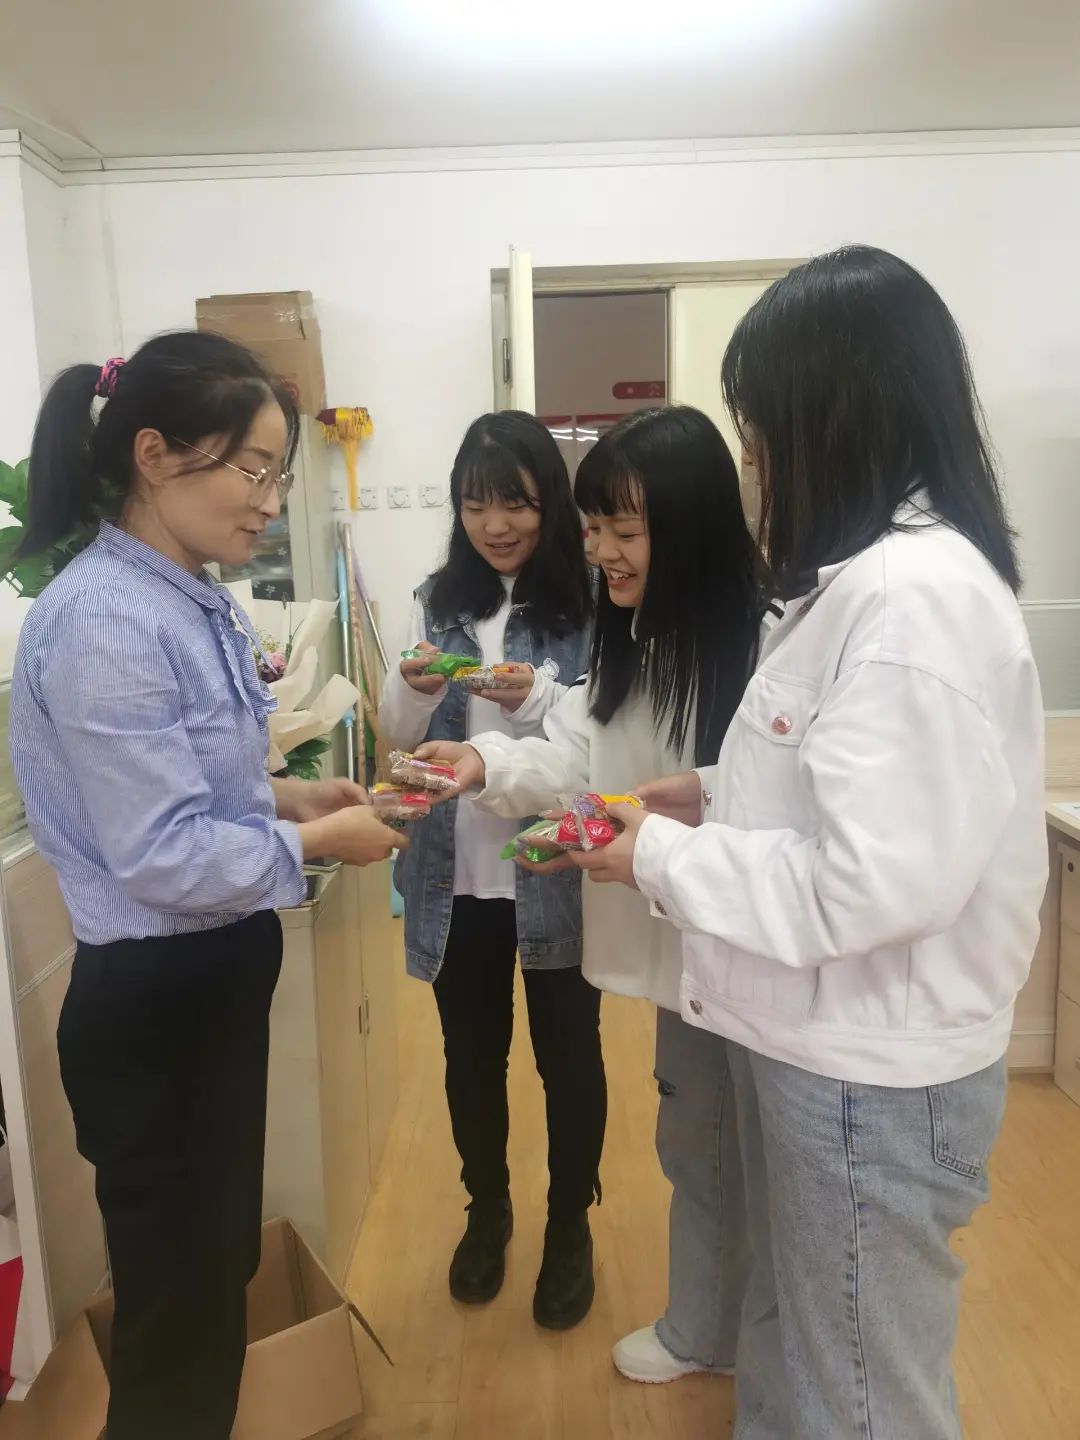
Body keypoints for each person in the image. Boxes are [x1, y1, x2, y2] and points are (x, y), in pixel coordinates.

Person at [572, 247, 1048, 1440]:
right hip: (821, 1051)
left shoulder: (911, 602)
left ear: (831, 418)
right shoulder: (858, 589)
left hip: (866, 1078)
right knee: (796, 1338)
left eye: (759, 434)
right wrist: (711, 795)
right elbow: (848, 791)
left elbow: (868, 884)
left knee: (859, 1395)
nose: (755, 465)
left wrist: (656, 856)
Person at [10, 333, 404, 1440]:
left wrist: (291, 798)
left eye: (279, 474)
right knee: (178, 1318)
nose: (271, 502)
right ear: (153, 455)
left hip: (206, 980)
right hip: (157, 1001)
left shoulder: (186, 598)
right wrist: (320, 845)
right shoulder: (107, 622)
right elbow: (160, 856)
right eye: (254, 471)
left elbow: (190, 780)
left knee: (210, 1270)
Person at [416, 405, 764, 1382]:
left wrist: (663, 826)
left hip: (750, 947)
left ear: (689, 523)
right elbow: (576, 750)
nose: (601, 548)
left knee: (758, 1158)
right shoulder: (628, 635)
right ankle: (704, 1330)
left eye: (623, 527)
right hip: (672, 947)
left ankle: (745, 1342)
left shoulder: (758, 645)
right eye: (594, 525)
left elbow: (758, 799)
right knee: (694, 1140)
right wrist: (484, 763)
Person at [379, 411, 603, 1330]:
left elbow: (600, 743)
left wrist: (534, 698)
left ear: (551, 501)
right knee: (471, 1058)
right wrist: (417, 685)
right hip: (455, 873)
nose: (496, 524)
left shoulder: (592, 600)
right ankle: (488, 1210)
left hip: (554, 868)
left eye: (516, 503)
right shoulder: (438, 601)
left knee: (569, 1060)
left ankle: (569, 1227)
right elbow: (397, 732)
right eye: (477, 505)